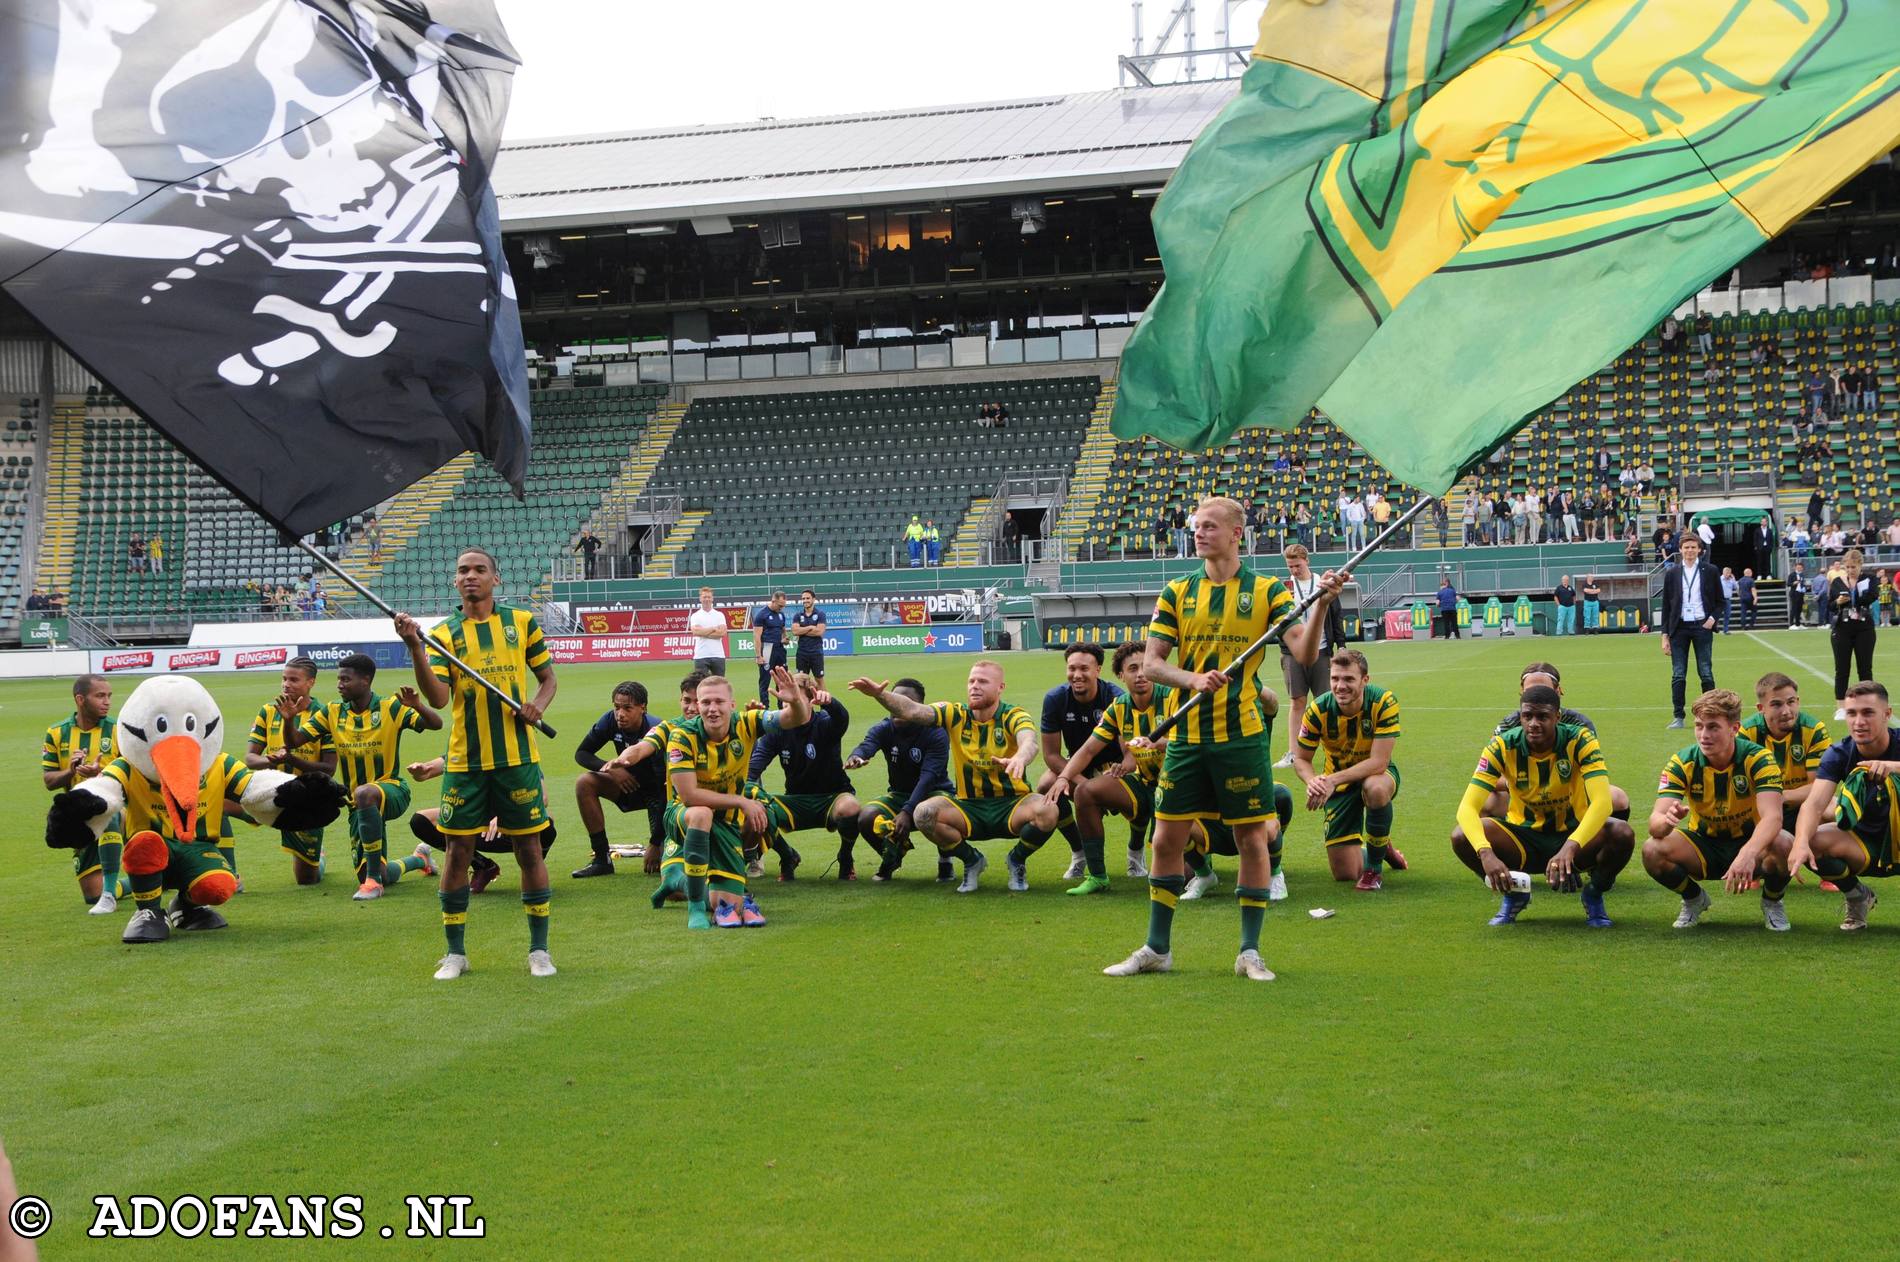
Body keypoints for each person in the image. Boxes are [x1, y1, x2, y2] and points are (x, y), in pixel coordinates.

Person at [1104, 496, 1339, 981]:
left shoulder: (1268, 590)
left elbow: (1306, 651)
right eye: (1196, 526)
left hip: (1242, 736)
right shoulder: (1176, 591)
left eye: (1209, 526)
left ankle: (1249, 952)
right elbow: (1151, 664)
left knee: (1252, 838)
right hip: (1187, 737)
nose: (1199, 532)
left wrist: (1319, 608)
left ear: (1236, 533)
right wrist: (1192, 680)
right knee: (1166, 837)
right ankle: (1156, 947)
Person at [394, 548, 558, 980]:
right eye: (463, 570)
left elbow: (548, 678)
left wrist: (537, 706)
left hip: (518, 757)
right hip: (465, 763)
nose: (471, 576)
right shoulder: (444, 635)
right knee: (457, 852)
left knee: (529, 849)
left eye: (479, 570)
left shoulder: (521, 623)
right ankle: (455, 954)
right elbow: (438, 698)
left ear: (495, 579)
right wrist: (415, 648)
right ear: (455, 581)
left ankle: (539, 951)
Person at [849, 661, 1056, 894]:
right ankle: (972, 861)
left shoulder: (1013, 714)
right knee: (923, 813)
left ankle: (1016, 860)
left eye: (983, 682)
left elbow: (1029, 740)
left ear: (1000, 687)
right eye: (972, 681)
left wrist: (1020, 757)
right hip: (969, 807)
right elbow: (913, 710)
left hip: (1012, 804)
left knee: (1048, 809)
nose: (975, 686)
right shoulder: (955, 713)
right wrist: (880, 695)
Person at [1452, 684, 1632, 925]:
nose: (1533, 723)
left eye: (1542, 716)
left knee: (1622, 833)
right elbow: (1466, 809)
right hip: (1522, 839)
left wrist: (1571, 846)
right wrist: (1485, 853)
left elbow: (1602, 803)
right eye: (1527, 716)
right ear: (1520, 717)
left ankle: (1594, 894)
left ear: (1557, 717)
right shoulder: (1502, 746)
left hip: (1572, 834)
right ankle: (1514, 894)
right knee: (1462, 836)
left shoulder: (1580, 740)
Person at [281, 653, 441, 900]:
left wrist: (418, 705)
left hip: (392, 789)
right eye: (338, 678)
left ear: (365, 681)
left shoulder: (390, 707)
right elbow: (294, 741)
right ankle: (418, 859)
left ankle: (373, 883)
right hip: (358, 805)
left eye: (345, 679)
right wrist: (288, 720)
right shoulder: (332, 712)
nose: (339, 684)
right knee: (380, 869)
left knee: (365, 792)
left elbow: (436, 723)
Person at [669, 668, 810, 928]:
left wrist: (794, 700)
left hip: (728, 821)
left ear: (732, 705)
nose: (712, 709)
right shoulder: (682, 736)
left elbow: (796, 719)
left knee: (726, 902)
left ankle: (684, 886)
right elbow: (689, 796)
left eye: (719, 702)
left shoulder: (747, 722)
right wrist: (743, 801)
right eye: (706, 702)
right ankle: (695, 910)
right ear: (697, 705)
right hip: (683, 815)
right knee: (702, 813)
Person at [1643, 689, 1790, 930]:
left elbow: (1773, 818)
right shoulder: (1682, 762)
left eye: (1713, 727)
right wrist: (1667, 822)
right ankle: (1693, 899)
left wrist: (1747, 854)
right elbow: (1655, 824)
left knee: (1784, 843)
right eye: (1699, 726)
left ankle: (1772, 902)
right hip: (1704, 844)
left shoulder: (1759, 759)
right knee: (1652, 849)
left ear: (1734, 728)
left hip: (1749, 842)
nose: (1703, 735)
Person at [1046, 643, 1180, 896]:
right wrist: (1064, 777)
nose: (1140, 674)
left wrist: (1159, 743)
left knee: (1180, 876)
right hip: (1142, 783)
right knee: (1084, 791)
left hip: (1180, 787)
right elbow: (1087, 751)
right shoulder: (1119, 707)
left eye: (1145, 667)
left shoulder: (1173, 697)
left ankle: (1200, 866)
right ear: (1121, 675)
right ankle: (1096, 876)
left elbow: (1195, 742)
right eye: (1132, 668)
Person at [1292, 649, 1409, 891]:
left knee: (1374, 789)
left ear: (1365, 680)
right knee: (1344, 873)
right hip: (1339, 785)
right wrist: (1313, 781)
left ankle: (1374, 870)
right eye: (1335, 679)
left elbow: (1379, 762)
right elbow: (1300, 759)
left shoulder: (1383, 702)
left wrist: (1331, 780)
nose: (1340, 686)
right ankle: (1381, 843)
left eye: (1348, 679)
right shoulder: (1317, 710)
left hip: (1376, 774)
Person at [1789, 681, 1900, 930]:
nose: (1859, 721)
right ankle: (1857, 896)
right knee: (1812, 843)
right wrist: (1799, 843)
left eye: (1868, 712)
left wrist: (1894, 767)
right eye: (1852, 713)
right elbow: (1814, 805)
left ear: (1887, 714)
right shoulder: (1839, 753)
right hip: (1864, 843)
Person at [603, 671, 706, 907]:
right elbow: (644, 745)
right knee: (674, 892)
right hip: (681, 818)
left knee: (754, 812)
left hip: (720, 815)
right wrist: (625, 757)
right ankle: (709, 890)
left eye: (698, 701)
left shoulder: (728, 726)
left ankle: (751, 855)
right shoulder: (670, 728)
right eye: (686, 700)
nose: (691, 708)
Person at [749, 673, 861, 878]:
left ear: (811, 698)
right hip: (795, 802)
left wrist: (830, 702)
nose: (788, 706)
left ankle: (846, 857)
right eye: (784, 701)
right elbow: (753, 769)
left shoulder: (825, 723)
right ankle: (788, 855)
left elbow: (842, 718)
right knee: (756, 808)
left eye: (795, 699)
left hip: (832, 798)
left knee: (851, 807)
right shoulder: (776, 731)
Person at [1033, 643, 1129, 880]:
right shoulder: (1055, 699)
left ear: (1098, 669)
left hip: (1116, 768)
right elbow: (1052, 756)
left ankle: (1136, 852)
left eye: (1084, 668)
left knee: (1145, 789)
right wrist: (1084, 784)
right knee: (1046, 786)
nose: (1077, 675)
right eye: (1072, 668)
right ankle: (1079, 853)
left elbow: (1129, 752)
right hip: (1078, 766)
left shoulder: (1116, 698)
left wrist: (1098, 785)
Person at [845, 678, 954, 883]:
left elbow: (928, 777)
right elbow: (867, 745)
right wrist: (857, 756)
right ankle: (893, 856)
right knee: (866, 817)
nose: (896, 705)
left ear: (917, 707)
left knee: (933, 811)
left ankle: (946, 859)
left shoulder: (936, 732)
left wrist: (907, 811)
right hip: (899, 794)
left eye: (904, 701)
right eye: (893, 699)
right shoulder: (884, 728)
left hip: (935, 792)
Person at [246, 656, 332, 887]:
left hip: (304, 798)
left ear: (311, 682)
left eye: (294, 679)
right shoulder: (267, 711)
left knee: (306, 880)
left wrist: (291, 758)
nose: (286, 684)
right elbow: (250, 759)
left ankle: (317, 857)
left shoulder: (324, 715)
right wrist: (269, 760)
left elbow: (329, 769)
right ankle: (230, 876)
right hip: (268, 792)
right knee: (221, 803)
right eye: (284, 678)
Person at [569, 680, 666, 879]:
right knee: (584, 783)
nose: (620, 714)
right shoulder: (610, 721)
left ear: (643, 708)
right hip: (629, 786)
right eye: (616, 707)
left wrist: (655, 843)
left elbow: (665, 789)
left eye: (627, 708)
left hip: (660, 792)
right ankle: (602, 859)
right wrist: (611, 769)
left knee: (664, 865)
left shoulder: (656, 730)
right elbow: (582, 753)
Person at [41, 674, 122, 913]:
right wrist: (71, 771)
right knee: (90, 894)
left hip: (121, 809)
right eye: (100, 696)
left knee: (109, 814)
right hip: (80, 818)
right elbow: (49, 781)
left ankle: (109, 896)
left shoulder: (118, 730)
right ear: (80, 699)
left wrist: (100, 775)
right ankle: (125, 886)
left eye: (109, 696)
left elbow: (135, 775)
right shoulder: (56, 733)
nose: (107, 701)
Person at [1742, 671, 1829, 845]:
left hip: (1801, 806)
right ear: (1761, 709)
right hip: (1761, 811)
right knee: (1776, 844)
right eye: (1776, 704)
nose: (1786, 711)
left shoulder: (1814, 730)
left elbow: (1819, 787)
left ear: (1798, 701)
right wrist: (1771, 800)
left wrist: (1781, 796)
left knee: (1834, 809)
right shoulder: (1747, 733)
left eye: (1791, 702)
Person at [1276, 543, 1344, 766]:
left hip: (1322, 651)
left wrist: (1341, 646)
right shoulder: (1285, 587)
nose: (1294, 570)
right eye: (1290, 566)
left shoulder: (1322, 584)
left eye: (1297, 565)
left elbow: (1336, 615)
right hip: (1292, 653)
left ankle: (1333, 751)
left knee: (1326, 702)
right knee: (1297, 701)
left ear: (1307, 561)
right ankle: (1293, 753)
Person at [1661, 534, 1724, 729]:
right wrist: (1664, 635)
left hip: (1701, 626)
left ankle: (1710, 714)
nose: (1689, 551)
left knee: (1705, 672)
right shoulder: (1672, 573)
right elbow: (1666, 606)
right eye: (1686, 547)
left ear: (1699, 550)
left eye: (1693, 547)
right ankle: (1678, 716)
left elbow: (1721, 601)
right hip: (1678, 628)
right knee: (1678, 674)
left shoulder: (1710, 571)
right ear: (1680, 550)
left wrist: (1711, 619)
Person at [1828, 548, 1878, 719]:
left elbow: (1873, 596)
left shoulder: (1869, 578)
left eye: (1853, 567)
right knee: (1841, 669)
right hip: (1842, 628)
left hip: (1864, 628)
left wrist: (1855, 594)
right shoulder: (1837, 581)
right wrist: (1838, 601)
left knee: (1865, 668)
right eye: (1847, 567)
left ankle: (1867, 703)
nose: (1850, 570)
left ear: (1860, 565)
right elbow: (1830, 605)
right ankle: (1841, 707)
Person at [751, 590, 789, 706]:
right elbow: (757, 636)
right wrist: (758, 655)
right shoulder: (762, 614)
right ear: (773, 601)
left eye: (783, 606)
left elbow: (783, 630)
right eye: (780, 605)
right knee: (765, 680)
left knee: (782, 679)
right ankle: (765, 708)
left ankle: (782, 707)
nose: (781, 608)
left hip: (780, 649)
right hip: (767, 649)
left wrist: (784, 639)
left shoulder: (781, 615)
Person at [687, 586, 729, 676]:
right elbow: (696, 632)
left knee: (719, 684)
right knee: (700, 684)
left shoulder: (719, 615)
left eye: (709, 597)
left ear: (712, 598)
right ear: (700, 599)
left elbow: (722, 633)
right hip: (701, 655)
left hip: (718, 655)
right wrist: (713, 629)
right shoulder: (695, 615)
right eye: (704, 597)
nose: (707, 599)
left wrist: (703, 632)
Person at [790, 588, 826, 682]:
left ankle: (823, 697)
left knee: (819, 680)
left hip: (816, 653)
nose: (805, 600)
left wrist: (802, 630)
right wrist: (810, 627)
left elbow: (819, 632)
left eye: (807, 598)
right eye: (803, 598)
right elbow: (794, 631)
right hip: (802, 653)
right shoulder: (798, 615)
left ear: (813, 599)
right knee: (801, 681)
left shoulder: (820, 614)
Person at [1436, 573, 1460, 640]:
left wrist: (1439, 606)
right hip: (1452, 609)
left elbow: (1437, 603)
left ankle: (1447, 636)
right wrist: (1454, 602)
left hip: (1444, 609)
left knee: (1446, 623)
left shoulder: (1439, 592)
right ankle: (1457, 636)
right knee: (1454, 623)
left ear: (1442, 586)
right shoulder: (1452, 590)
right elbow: (1458, 599)